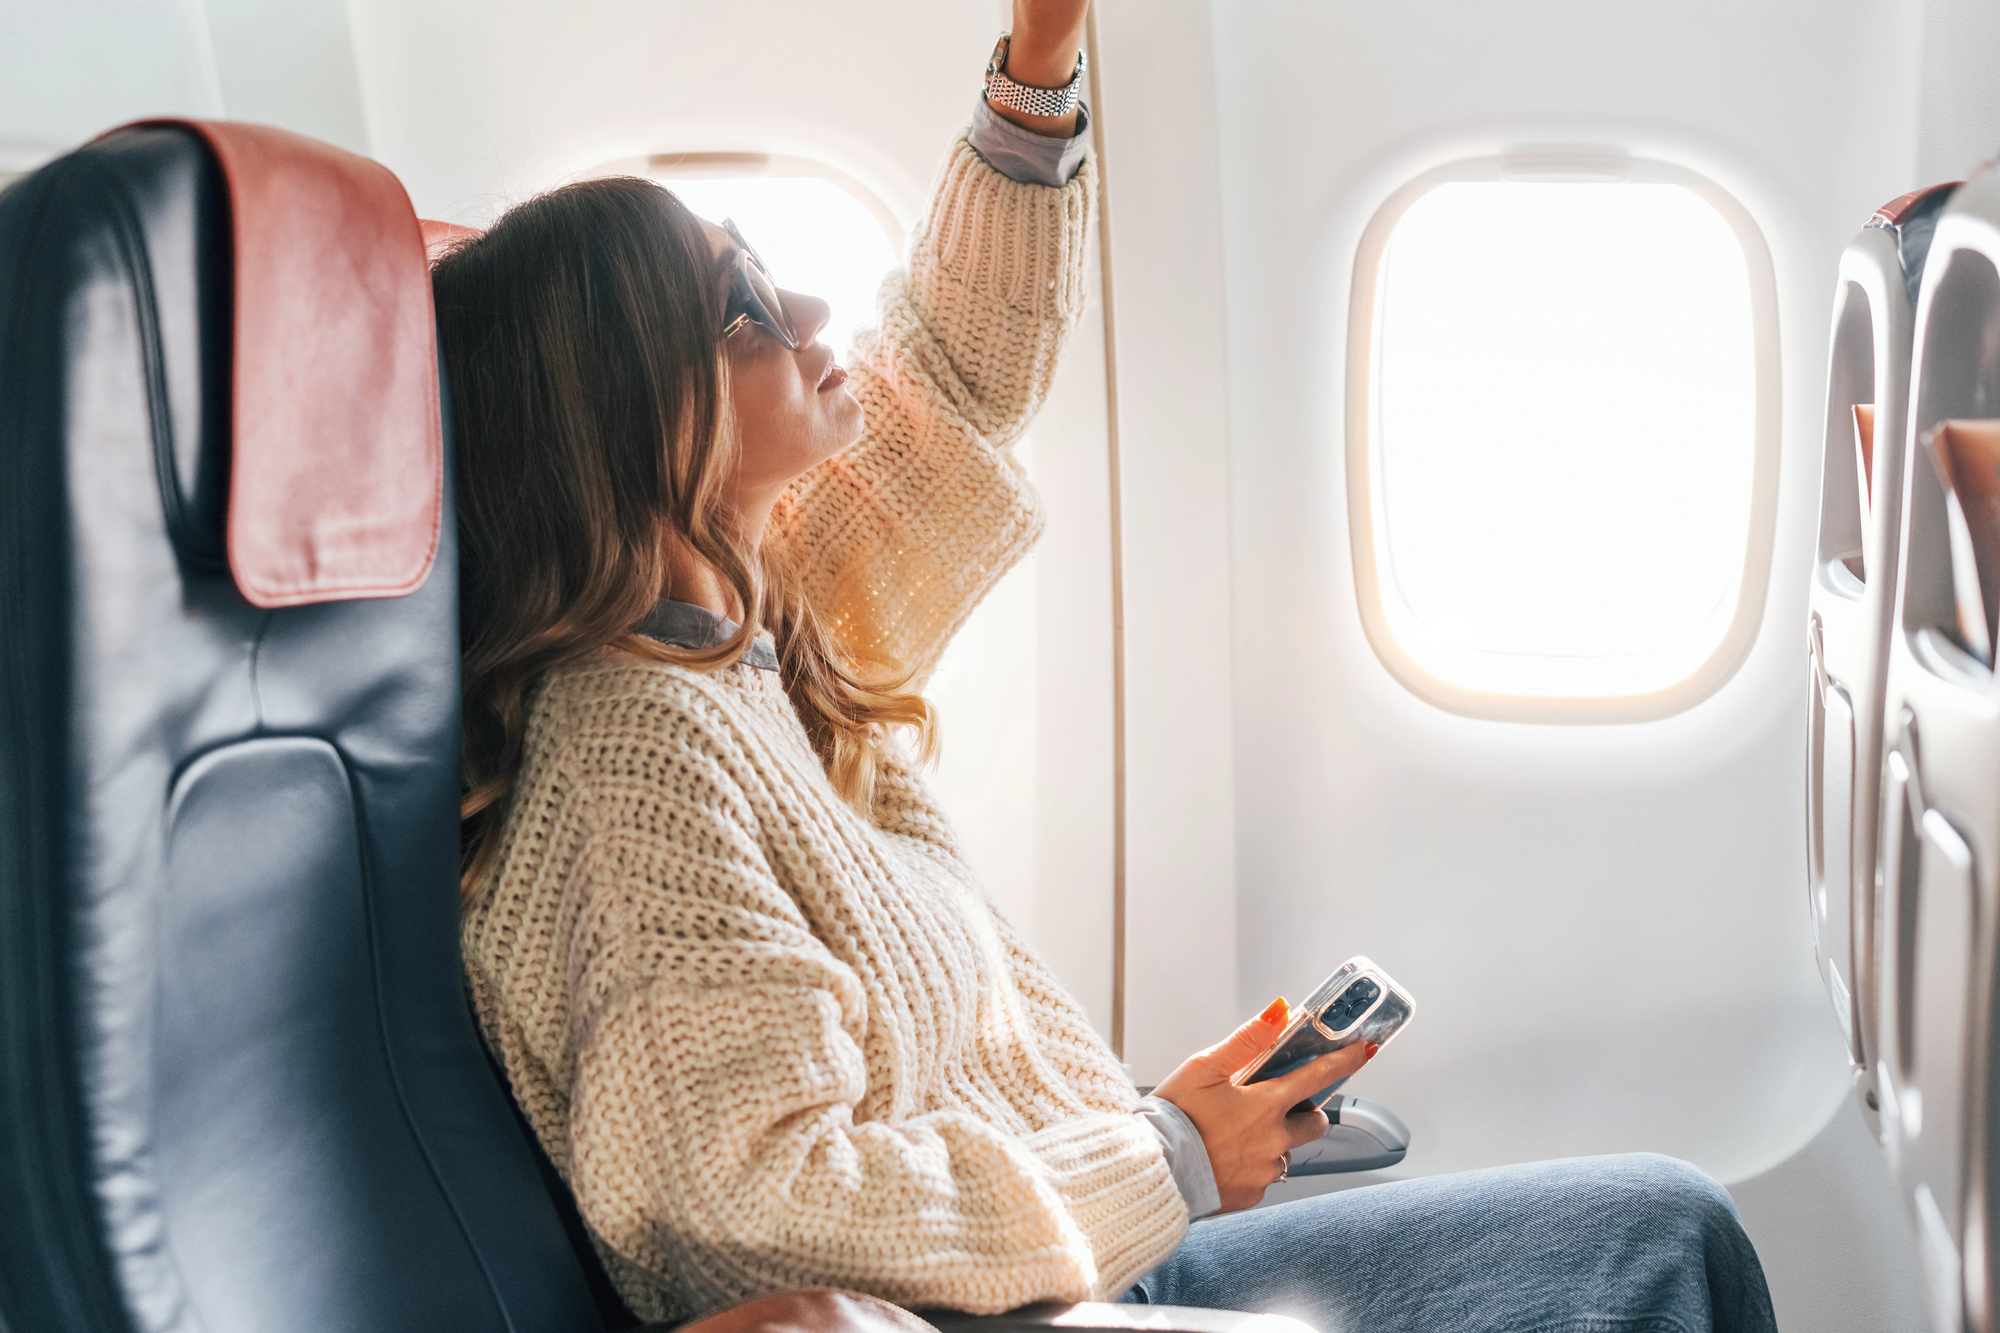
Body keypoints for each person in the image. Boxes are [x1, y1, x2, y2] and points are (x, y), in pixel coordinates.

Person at [432, 3, 1778, 1330]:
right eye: (738, 309)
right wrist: (1166, 1151)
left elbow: (950, 376)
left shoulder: (759, 634)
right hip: (1014, 1300)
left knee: (1668, 1229)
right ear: (623, 421)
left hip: (1073, 1258)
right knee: (1659, 1252)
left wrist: (1041, 54)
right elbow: (744, 1211)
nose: (808, 305)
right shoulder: (632, 761)